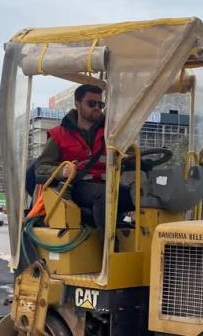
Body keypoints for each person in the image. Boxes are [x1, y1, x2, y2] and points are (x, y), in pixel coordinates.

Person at [34, 84, 133, 230]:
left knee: (143, 193)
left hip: (109, 184)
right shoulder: (58, 136)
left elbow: (131, 155)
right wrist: (63, 172)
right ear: (77, 104)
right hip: (76, 188)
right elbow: (41, 168)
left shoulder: (113, 134)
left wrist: (129, 159)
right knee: (105, 195)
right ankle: (107, 248)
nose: (97, 108)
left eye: (101, 104)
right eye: (91, 103)